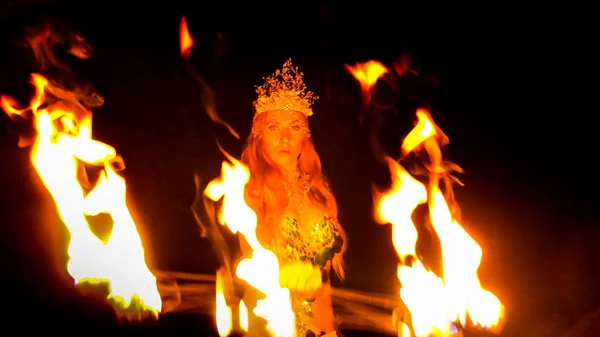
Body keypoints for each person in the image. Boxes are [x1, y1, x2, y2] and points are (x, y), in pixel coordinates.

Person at [239, 58, 347, 337]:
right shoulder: (247, 194)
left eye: (295, 127)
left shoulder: (319, 193)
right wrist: (285, 273)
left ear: (306, 135)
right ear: (260, 135)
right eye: (275, 127)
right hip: (273, 327)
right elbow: (248, 267)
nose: (286, 138)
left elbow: (325, 287)